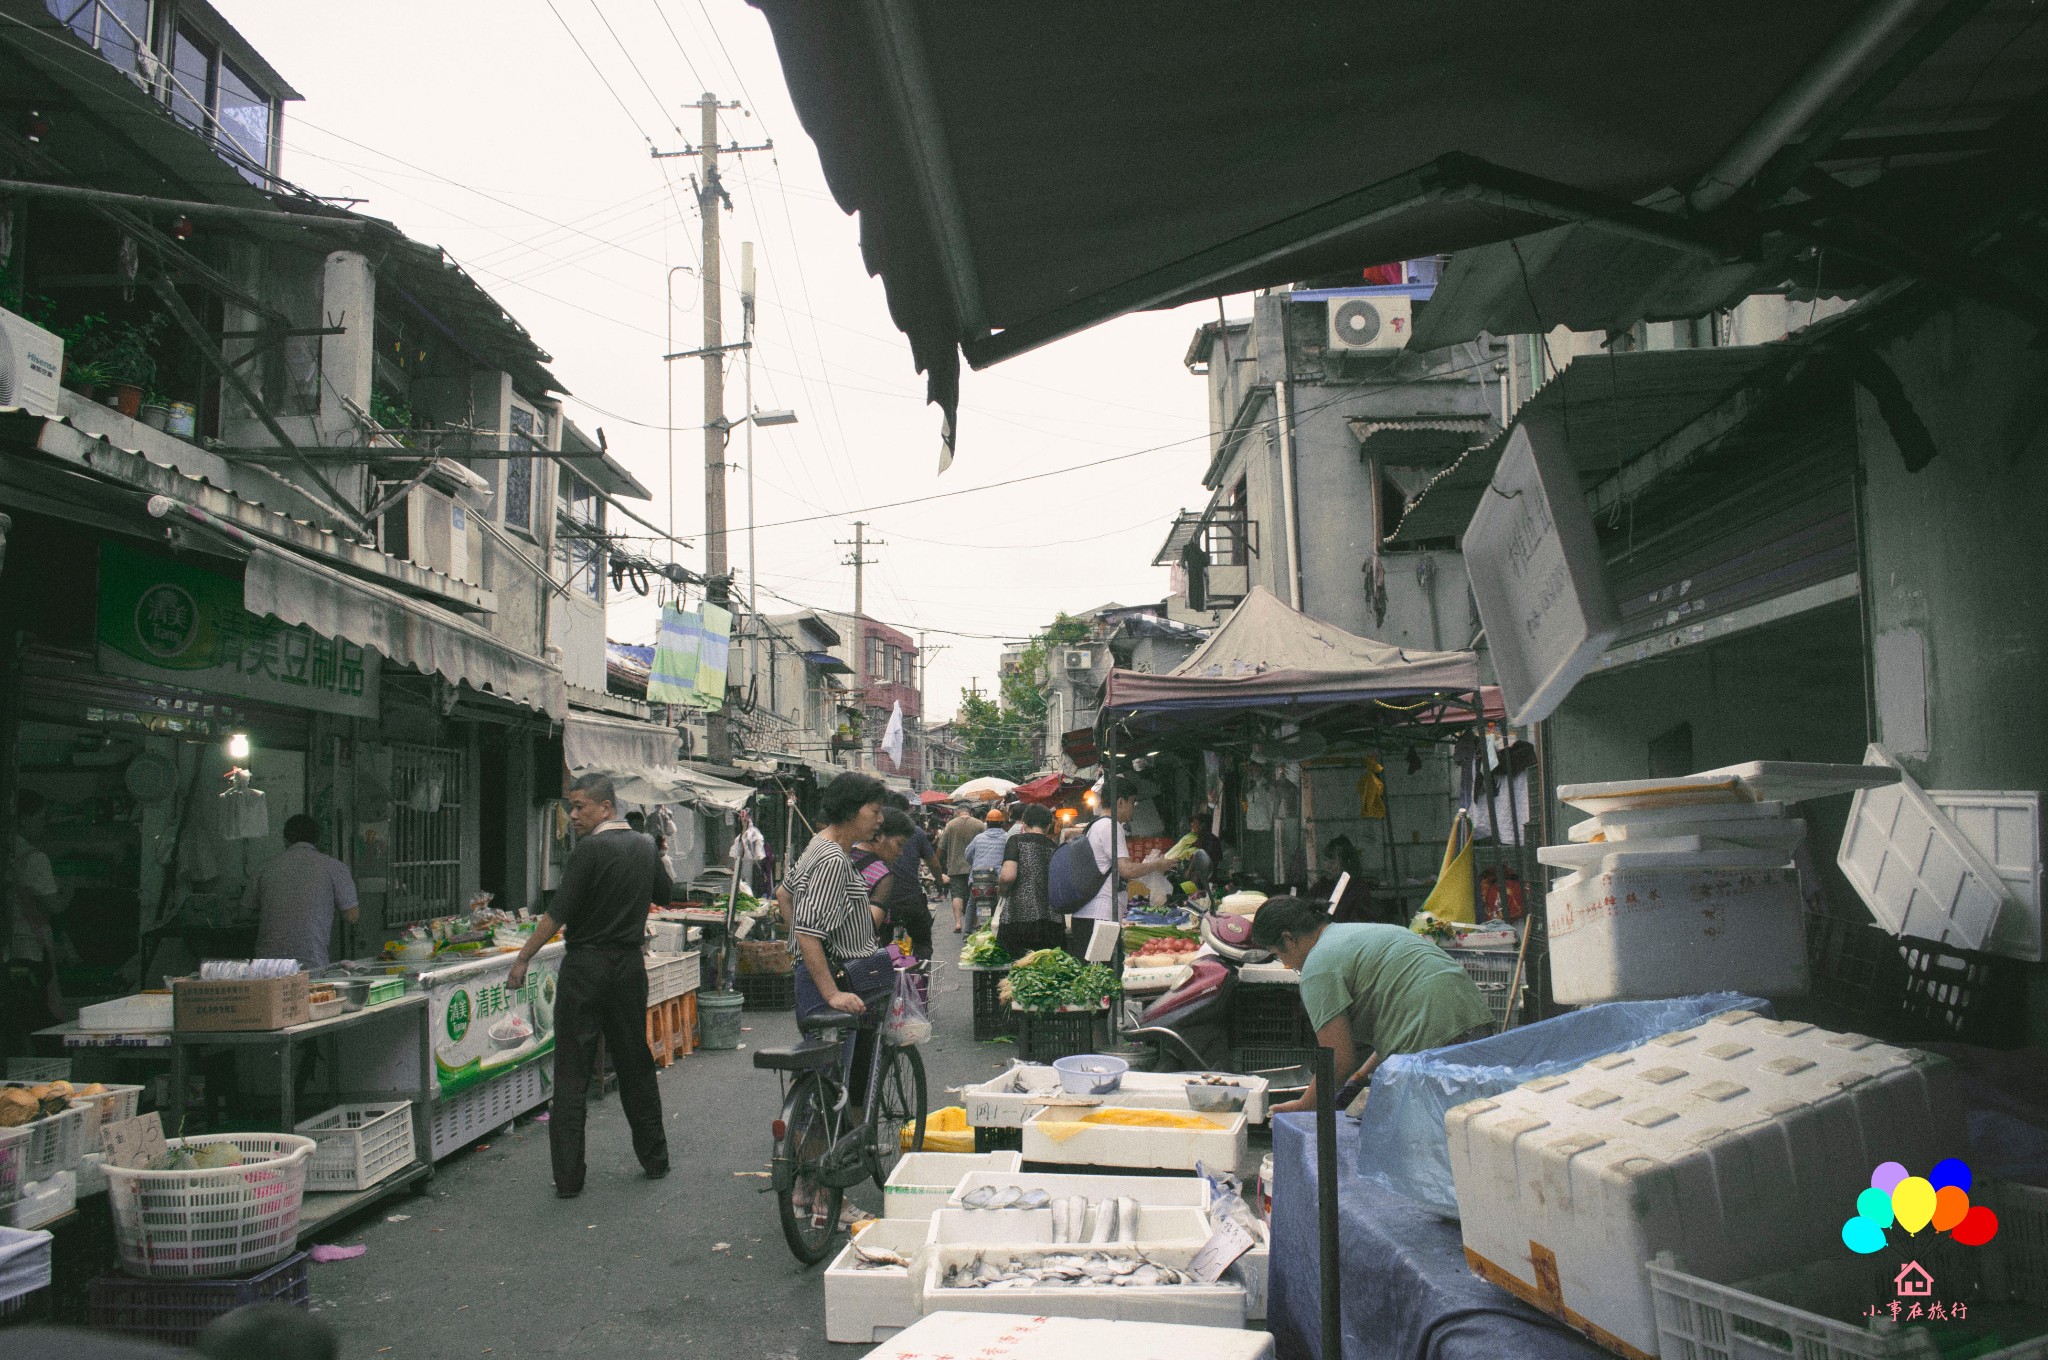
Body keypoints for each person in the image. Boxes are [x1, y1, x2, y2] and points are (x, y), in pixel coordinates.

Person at [507, 773, 673, 1198]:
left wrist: (524, 956)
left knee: (572, 1072)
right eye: (571, 806)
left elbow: (556, 914)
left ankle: (568, 1179)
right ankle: (655, 1160)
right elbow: (666, 894)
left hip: (585, 968)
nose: (573, 814)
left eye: (580, 806)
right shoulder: (643, 845)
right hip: (628, 969)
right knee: (635, 1063)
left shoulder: (589, 850)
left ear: (606, 807)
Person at [1250, 896, 1493, 1114]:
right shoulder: (1353, 933)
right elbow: (1403, 1011)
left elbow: (1339, 1059)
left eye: (1277, 954)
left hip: (1435, 1037)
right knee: (1468, 1122)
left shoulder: (1318, 968)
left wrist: (1305, 1104)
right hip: (1474, 1018)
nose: (1284, 963)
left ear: (1288, 939)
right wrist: (1361, 1075)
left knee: (1434, 1134)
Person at [778, 773, 895, 1092]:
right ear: (850, 811)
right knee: (826, 1087)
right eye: (874, 811)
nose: (880, 820)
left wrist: (801, 959)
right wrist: (831, 991)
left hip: (817, 977)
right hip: (830, 984)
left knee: (828, 1081)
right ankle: (807, 1142)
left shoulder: (820, 844)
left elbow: (783, 895)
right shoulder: (832, 859)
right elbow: (807, 931)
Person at [1069, 781, 1177, 962]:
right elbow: (1126, 869)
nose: (1133, 809)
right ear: (1120, 802)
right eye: (1132, 803)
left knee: (1097, 974)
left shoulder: (1097, 826)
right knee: (1103, 975)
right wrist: (1158, 865)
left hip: (1091, 915)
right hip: (1101, 916)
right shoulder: (1111, 827)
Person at [244, 814, 359, 972]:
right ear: (317, 840)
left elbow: (244, 913)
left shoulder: (265, 867)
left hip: (267, 964)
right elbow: (352, 916)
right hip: (310, 959)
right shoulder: (334, 867)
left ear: (286, 839)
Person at [6, 790, 70, 1022]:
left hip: (8, 947)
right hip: (30, 948)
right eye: (41, 817)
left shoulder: (8, 854)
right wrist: (68, 892)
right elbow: (55, 906)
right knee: (37, 1013)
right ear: (24, 818)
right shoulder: (35, 859)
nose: (44, 824)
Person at [997, 804, 1063, 957]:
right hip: (1050, 923)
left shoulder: (1016, 841)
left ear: (1024, 824)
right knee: (1044, 969)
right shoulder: (1055, 848)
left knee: (1015, 968)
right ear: (1048, 826)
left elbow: (1007, 876)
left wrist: (1002, 891)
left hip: (1018, 919)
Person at [881, 794, 940, 959]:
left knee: (881, 946)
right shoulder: (916, 832)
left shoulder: (874, 832)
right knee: (923, 942)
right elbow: (933, 863)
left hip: (884, 904)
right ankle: (920, 977)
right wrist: (940, 881)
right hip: (910, 900)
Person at [850, 808, 918, 944]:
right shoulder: (883, 876)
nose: (900, 853)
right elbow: (866, 931)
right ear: (879, 836)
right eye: (899, 844)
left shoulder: (845, 854)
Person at [935, 803, 985, 934]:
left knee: (957, 895)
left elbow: (941, 847)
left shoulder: (950, 825)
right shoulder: (979, 824)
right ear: (970, 812)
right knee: (973, 895)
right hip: (974, 866)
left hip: (955, 867)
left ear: (958, 812)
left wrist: (937, 864)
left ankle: (958, 923)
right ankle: (974, 922)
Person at [964, 807, 1009, 933]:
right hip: (997, 880)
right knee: (1001, 905)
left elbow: (967, 854)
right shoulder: (1006, 838)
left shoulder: (978, 838)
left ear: (987, 823)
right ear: (1002, 823)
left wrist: (975, 865)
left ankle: (967, 933)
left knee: (972, 905)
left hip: (977, 879)